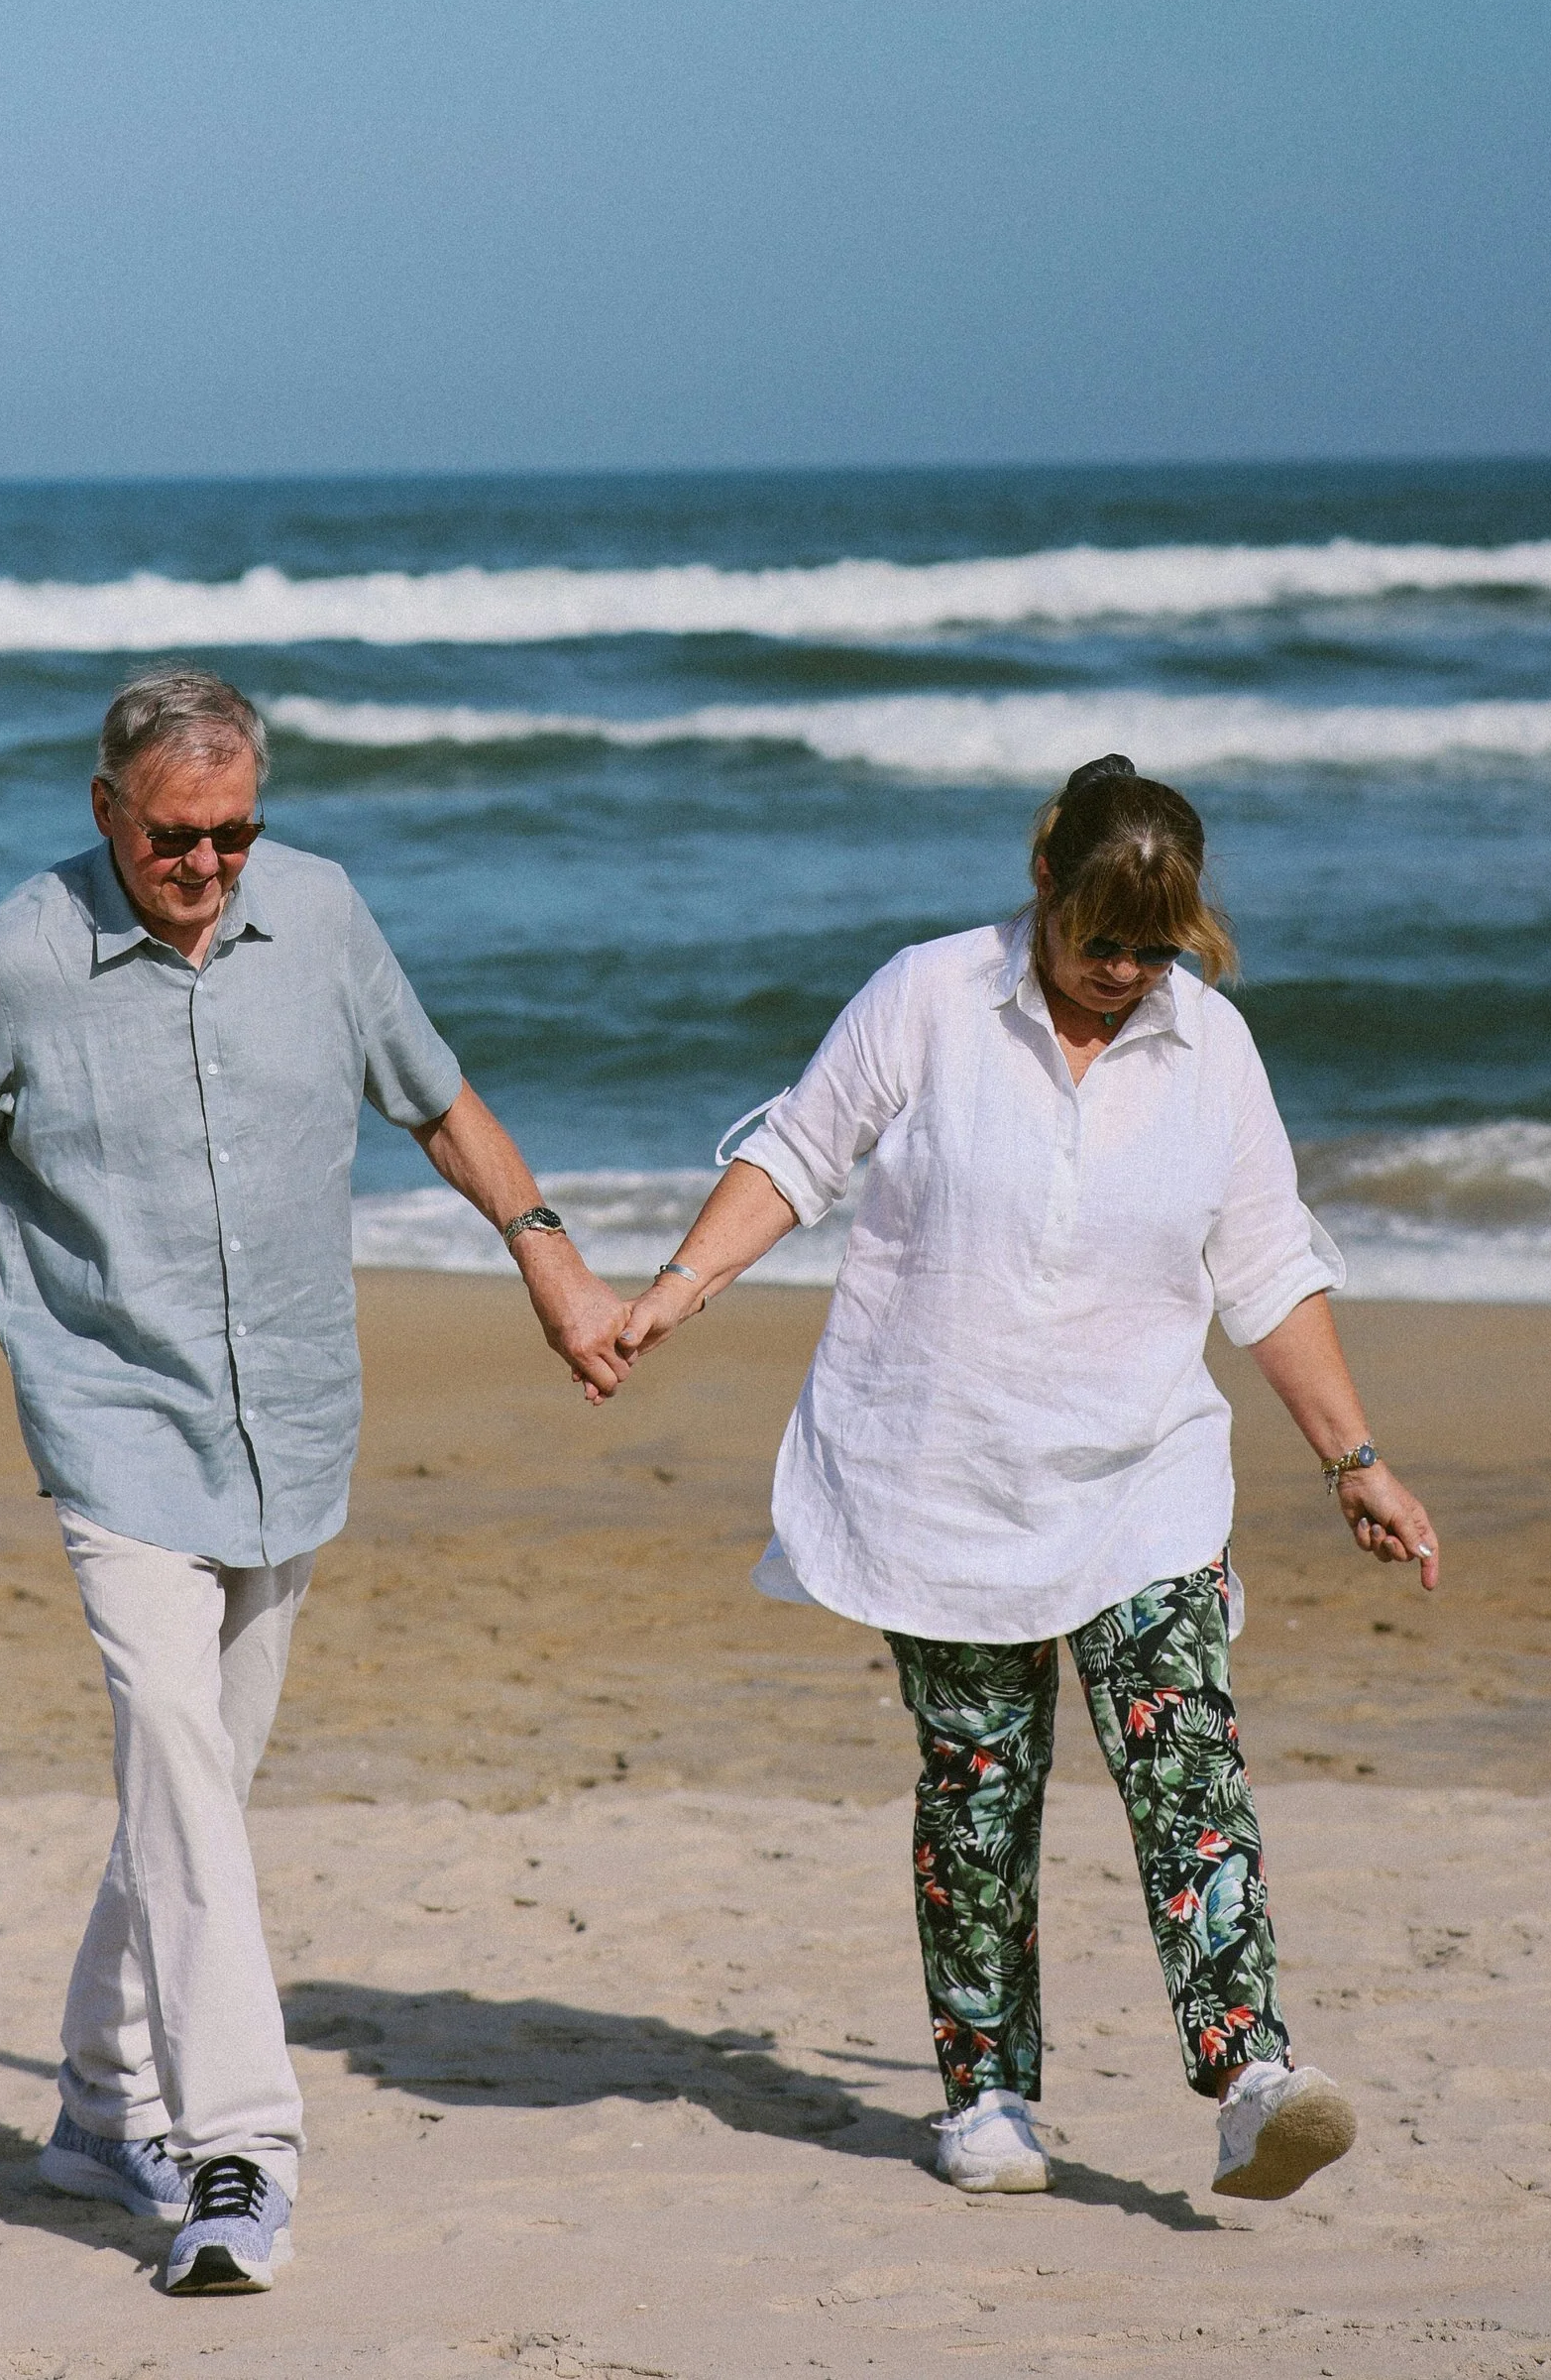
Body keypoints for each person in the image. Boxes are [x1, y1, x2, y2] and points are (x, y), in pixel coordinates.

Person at [0, 666, 630, 2294]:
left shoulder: (324, 914)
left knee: (196, 1787)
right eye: (177, 836)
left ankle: (96, 2105)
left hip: (291, 1417)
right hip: (111, 1424)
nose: (211, 865)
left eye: (236, 832)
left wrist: (552, 1263)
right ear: (105, 812)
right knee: (170, 1740)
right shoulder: (17, 958)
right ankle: (239, 2147)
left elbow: (439, 1101)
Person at [607, 753, 1438, 2206]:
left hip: (1145, 1477)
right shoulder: (928, 995)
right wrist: (678, 1287)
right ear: (1042, 880)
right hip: (946, 1468)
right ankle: (987, 2092)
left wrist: (1353, 1458)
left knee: (1187, 1766)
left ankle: (1251, 2076)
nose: (1121, 969)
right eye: (1097, 936)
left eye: (1151, 945)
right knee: (980, 1787)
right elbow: (801, 1154)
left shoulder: (1212, 1048)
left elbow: (1267, 1267)